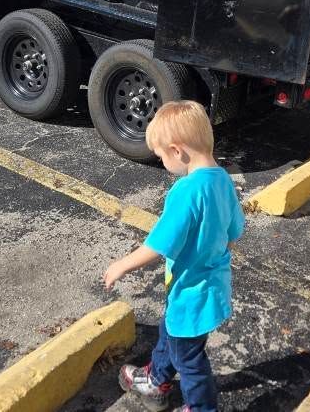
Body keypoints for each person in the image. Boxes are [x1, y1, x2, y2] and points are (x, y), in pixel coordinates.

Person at [104, 100, 245, 412]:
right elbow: (234, 232)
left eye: (161, 156)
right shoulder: (223, 179)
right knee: (170, 336)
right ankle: (156, 379)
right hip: (210, 286)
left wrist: (121, 266)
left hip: (190, 294)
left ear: (178, 151)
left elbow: (158, 245)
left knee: (190, 361)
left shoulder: (186, 192)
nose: (163, 163)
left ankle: (201, 407)